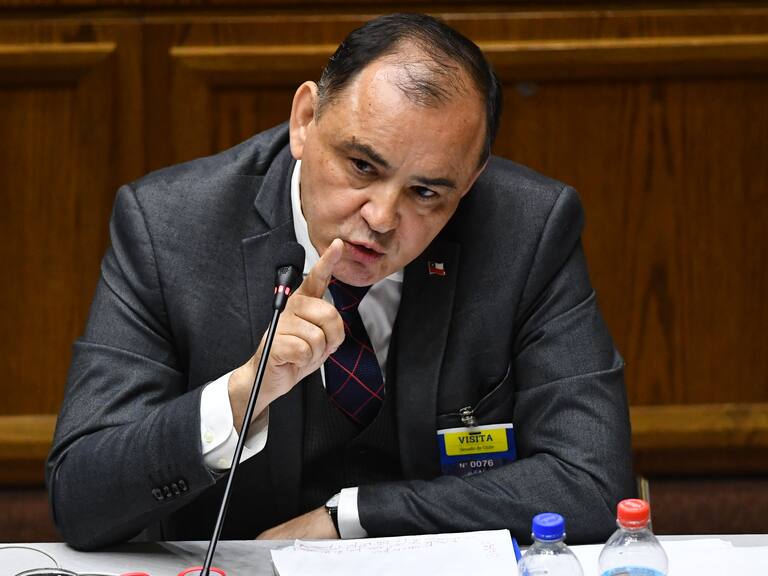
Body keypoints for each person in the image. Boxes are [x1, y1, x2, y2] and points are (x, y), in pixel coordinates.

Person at [46, 13, 634, 550]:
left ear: (471, 181)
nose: (381, 218)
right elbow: (79, 497)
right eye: (362, 166)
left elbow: (593, 483)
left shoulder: (528, 229)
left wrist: (356, 515)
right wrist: (241, 396)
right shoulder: (170, 226)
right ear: (305, 120)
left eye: (426, 192)